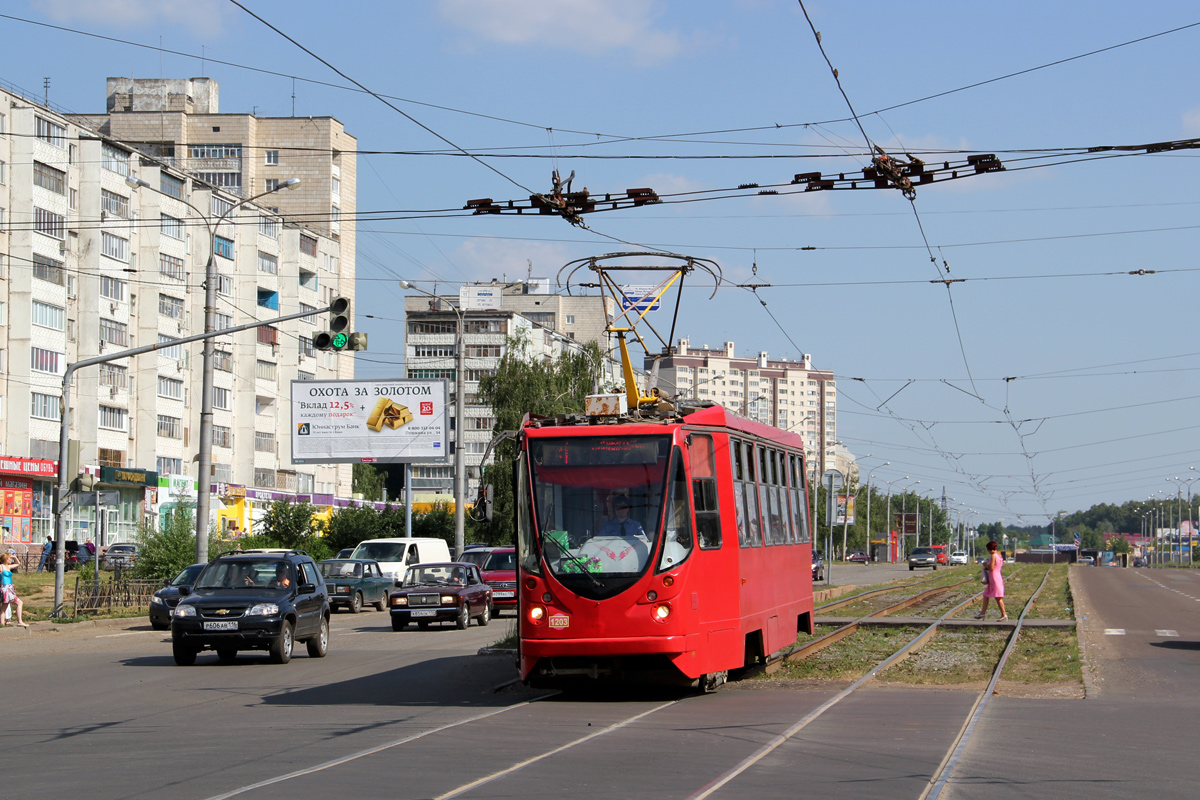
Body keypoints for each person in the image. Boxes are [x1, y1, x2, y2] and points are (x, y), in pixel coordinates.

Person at [975, 540, 1008, 621]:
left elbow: (992, 567)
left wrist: (985, 564)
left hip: (994, 577)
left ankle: (1004, 614)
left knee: (998, 597)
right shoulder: (999, 555)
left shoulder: (993, 555)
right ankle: (983, 613)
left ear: (990, 549)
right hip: (997, 576)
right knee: (986, 594)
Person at [0, 552, 30, 628]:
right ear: (6, 559)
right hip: (5, 588)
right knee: (17, 603)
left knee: (5, 606)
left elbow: (18, 563)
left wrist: (14, 557)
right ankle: (18, 621)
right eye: (10, 558)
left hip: (10, 588)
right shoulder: (1, 566)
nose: (11, 559)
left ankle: (2, 623)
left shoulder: (8, 567)